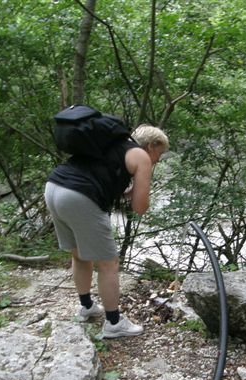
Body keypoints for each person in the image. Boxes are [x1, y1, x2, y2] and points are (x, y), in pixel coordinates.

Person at [45, 123, 169, 339]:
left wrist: (129, 192)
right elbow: (140, 209)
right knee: (109, 263)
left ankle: (86, 307)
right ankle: (113, 322)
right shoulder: (141, 156)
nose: (157, 160)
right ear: (151, 146)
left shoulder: (111, 145)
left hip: (55, 188)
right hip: (79, 197)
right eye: (159, 154)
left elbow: (98, 178)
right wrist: (144, 188)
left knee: (79, 255)